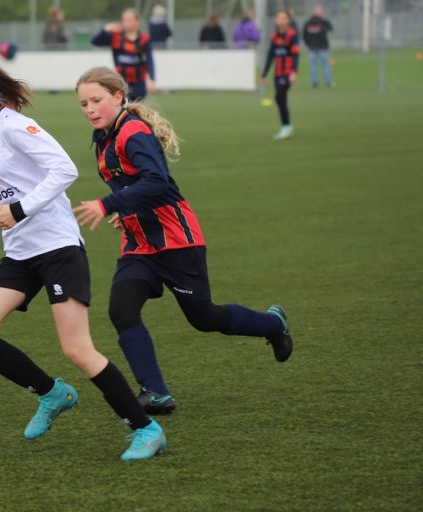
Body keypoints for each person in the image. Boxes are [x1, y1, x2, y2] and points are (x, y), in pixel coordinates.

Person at [0, 45, 166, 461]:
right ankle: (52, 393)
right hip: (21, 251)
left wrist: (20, 209)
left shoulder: (13, 125)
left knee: (77, 349)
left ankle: (146, 429)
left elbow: (64, 169)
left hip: (58, 246)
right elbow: (6, 184)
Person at [73, 67, 293, 414]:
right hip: (140, 244)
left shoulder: (133, 132)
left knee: (204, 318)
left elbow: (159, 182)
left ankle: (273, 324)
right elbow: (132, 186)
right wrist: (123, 210)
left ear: (118, 96)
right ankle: (156, 392)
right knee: (121, 309)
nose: (89, 108)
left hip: (176, 240)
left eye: (96, 100)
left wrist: (108, 204)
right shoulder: (103, 136)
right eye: (83, 103)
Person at [91, 8, 156, 101]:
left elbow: (150, 60)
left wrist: (152, 79)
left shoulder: (144, 39)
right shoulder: (116, 37)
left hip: (139, 83)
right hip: (121, 82)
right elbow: (95, 42)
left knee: (136, 110)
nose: (126, 23)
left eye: (129, 20)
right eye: (124, 20)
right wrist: (106, 29)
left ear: (137, 21)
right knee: (123, 109)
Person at [260, 10, 300, 140]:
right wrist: (264, 74)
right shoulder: (274, 36)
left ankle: (286, 127)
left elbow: (295, 54)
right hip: (277, 73)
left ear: (288, 20)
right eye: (279, 18)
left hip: (288, 73)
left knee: (279, 96)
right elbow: (270, 55)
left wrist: (294, 72)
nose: (281, 20)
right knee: (280, 99)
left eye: (284, 18)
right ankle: (286, 127)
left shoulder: (292, 35)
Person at [302, 5, 333, 88]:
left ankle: (315, 82)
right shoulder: (323, 21)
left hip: (313, 47)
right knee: (325, 65)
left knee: (313, 65)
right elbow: (330, 28)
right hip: (322, 47)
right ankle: (327, 82)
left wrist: (308, 44)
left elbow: (304, 36)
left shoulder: (308, 22)